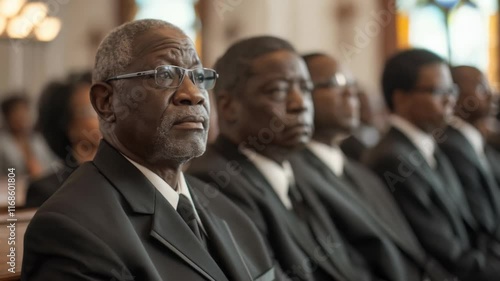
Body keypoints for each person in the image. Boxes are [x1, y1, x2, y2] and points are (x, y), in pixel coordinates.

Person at [22, 19, 278, 281]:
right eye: (165, 75)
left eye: (199, 77)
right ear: (106, 101)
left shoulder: (227, 209)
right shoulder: (71, 229)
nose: (194, 94)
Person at [189, 36, 379, 281]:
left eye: (306, 89)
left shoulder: (296, 173)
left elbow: (347, 266)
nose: (300, 104)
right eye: (278, 90)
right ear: (228, 106)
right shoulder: (215, 182)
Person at [291, 52, 455, 281]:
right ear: (301, 95)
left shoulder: (361, 172)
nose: (351, 93)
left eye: (352, 84)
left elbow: (412, 251)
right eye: (335, 83)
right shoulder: (296, 177)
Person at [363, 48, 500, 281]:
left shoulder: (428, 145)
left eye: (452, 90)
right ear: (401, 98)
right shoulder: (392, 159)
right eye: (438, 91)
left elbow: (472, 229)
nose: (450, 100)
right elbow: (443, 252)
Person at [439, 66, 500, 249]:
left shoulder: (477, 138)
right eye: (481, 88)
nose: (492, 95)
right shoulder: (450, 144)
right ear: (455, 96)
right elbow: (482, 218)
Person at [25, 72, 101, 208]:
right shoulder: (47, 190)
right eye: (92, 110)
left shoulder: (126, 176)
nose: (105, 115)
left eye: (107, 104)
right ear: (69, 126)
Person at [0, 95, 55, 178]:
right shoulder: (3, 144)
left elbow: (52, 165)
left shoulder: (38, 139)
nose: (21, 116)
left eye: (24, 111)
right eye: (16, 112)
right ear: (7, 116)